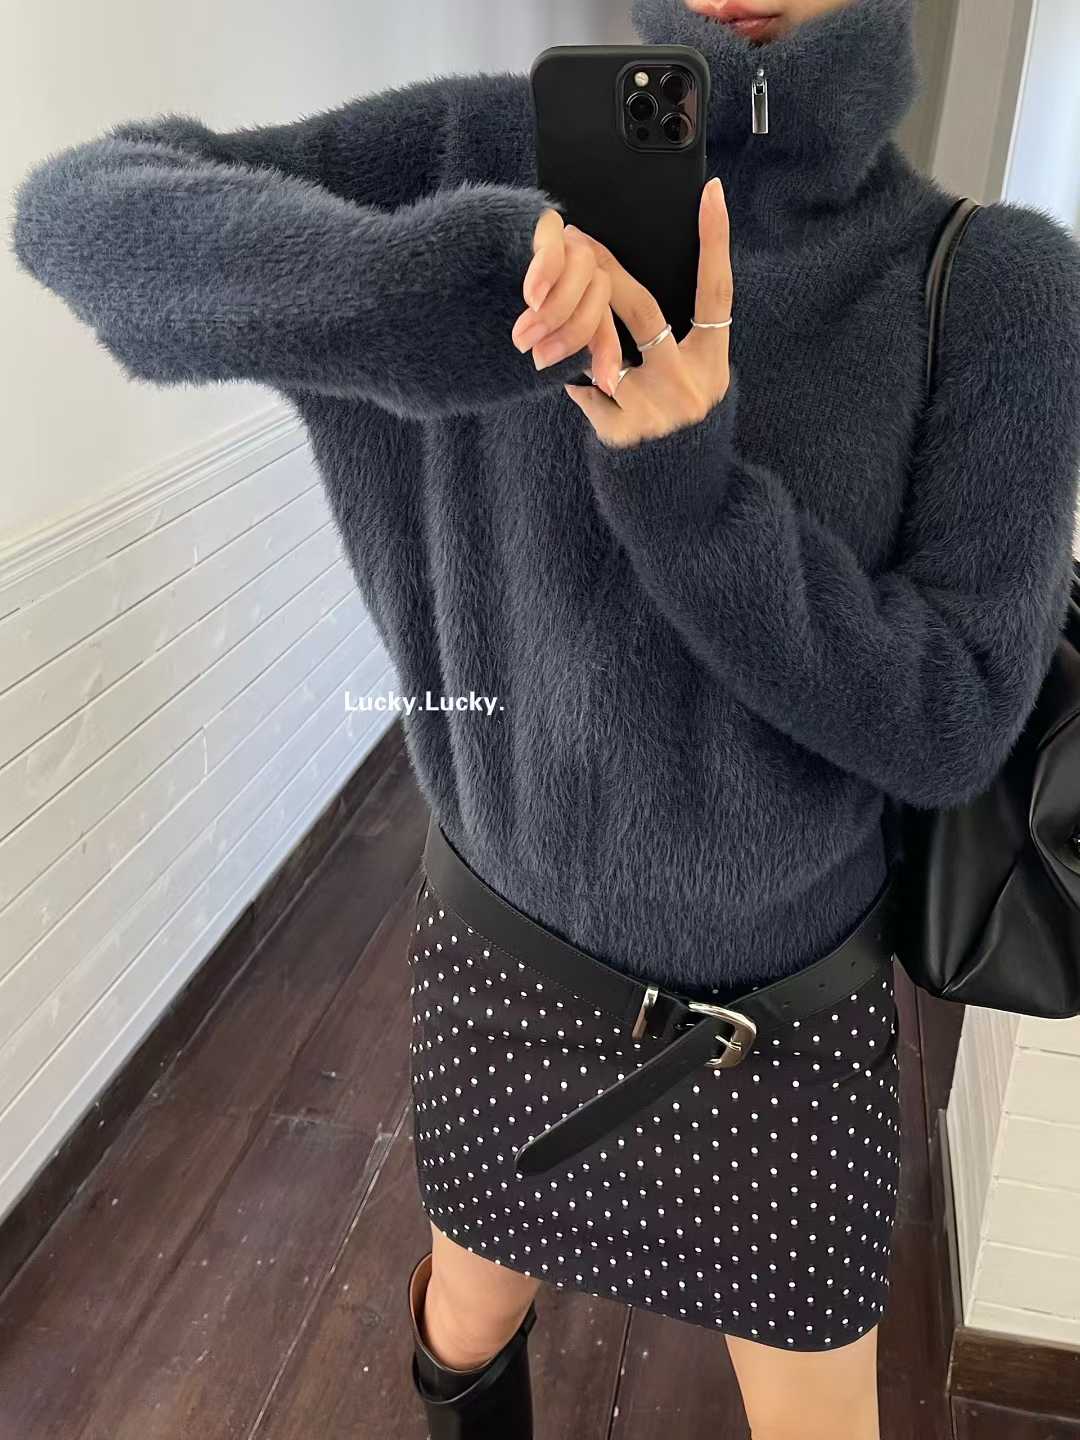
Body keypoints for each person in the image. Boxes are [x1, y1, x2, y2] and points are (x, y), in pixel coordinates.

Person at [11, 0, 1080, 1436]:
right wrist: (435, 293)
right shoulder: (470, 154)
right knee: (461, 1332)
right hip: (500, 970)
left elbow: (952, 722)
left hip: (780, 1035)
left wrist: (688, 489)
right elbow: (82, 213)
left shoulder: (994, 285)